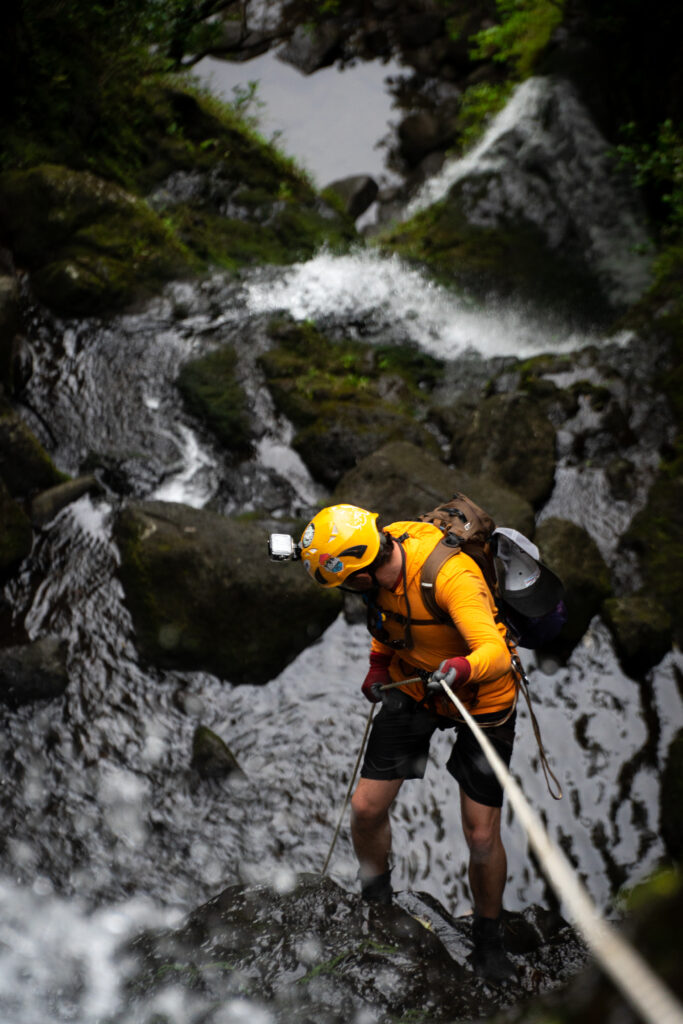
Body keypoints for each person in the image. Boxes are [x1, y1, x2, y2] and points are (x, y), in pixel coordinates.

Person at [299, 503, 519, 982]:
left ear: (365, 569)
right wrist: (379, 667)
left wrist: (461, 669)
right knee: (366, 808)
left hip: (480, 696)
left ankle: (489, 941)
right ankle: (377, 902)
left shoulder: (450, 576)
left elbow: (495, 654)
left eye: (347, 584)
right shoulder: (377, 567)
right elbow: (389, 621)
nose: (348, 594)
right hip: (415, 685)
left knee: (481, 833)